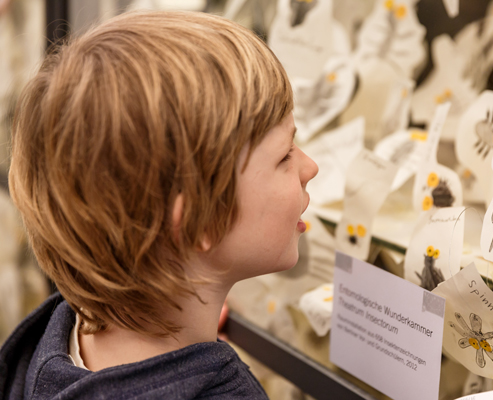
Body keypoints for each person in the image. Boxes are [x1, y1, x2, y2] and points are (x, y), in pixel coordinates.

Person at [0, 10, 318, 399]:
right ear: (200, 223)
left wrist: (190, 315)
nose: (310, 167)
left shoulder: (54, 337)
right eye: (284, 155)